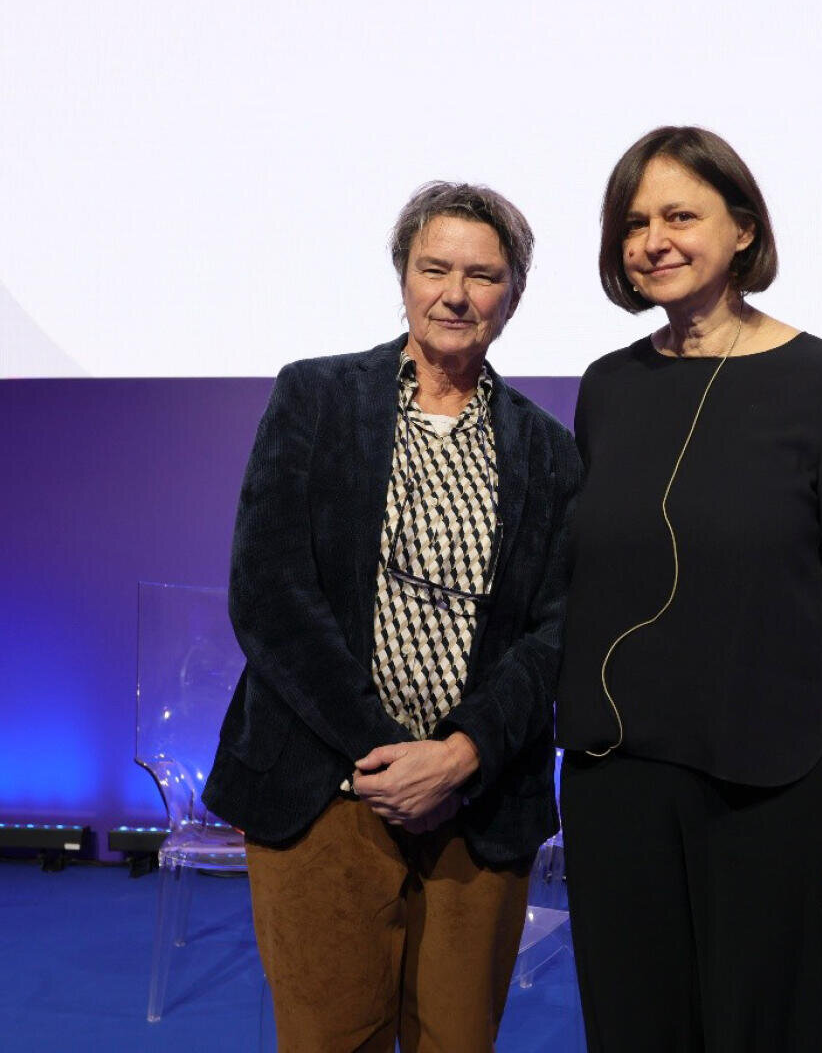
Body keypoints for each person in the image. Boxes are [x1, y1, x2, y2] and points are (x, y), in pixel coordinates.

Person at [555, 126, 822, 1051]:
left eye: (681, 215)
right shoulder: (608, 386)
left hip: (777, 791)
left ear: (743, 230)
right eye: (634, 222)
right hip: (617, 790)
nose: (653, 241)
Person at [203, 181, 581, 1053]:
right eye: (434, 267)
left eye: (482, 275)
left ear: (512, 294)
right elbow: (269, 595)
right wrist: (387, 756)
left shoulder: (549, 452)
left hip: (476, 800)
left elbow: (558, 632)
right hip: (326, 788)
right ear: (403, 277)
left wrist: (455, 757)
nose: (455, 293)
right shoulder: (316, 399)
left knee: (457, 1039)